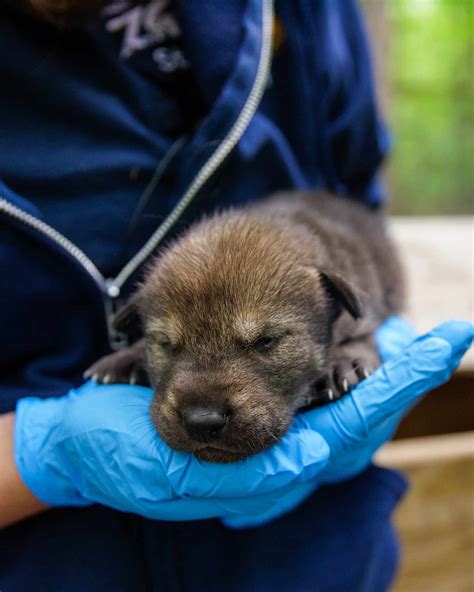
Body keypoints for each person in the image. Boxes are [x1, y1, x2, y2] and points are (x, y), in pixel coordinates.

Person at [0, 1, 472, 590]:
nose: (202, 409)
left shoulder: (313, 12)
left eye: (266, 340)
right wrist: (39, 457)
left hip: (310, 562)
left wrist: (367, 339)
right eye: (163, 341)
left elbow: (357, 216)